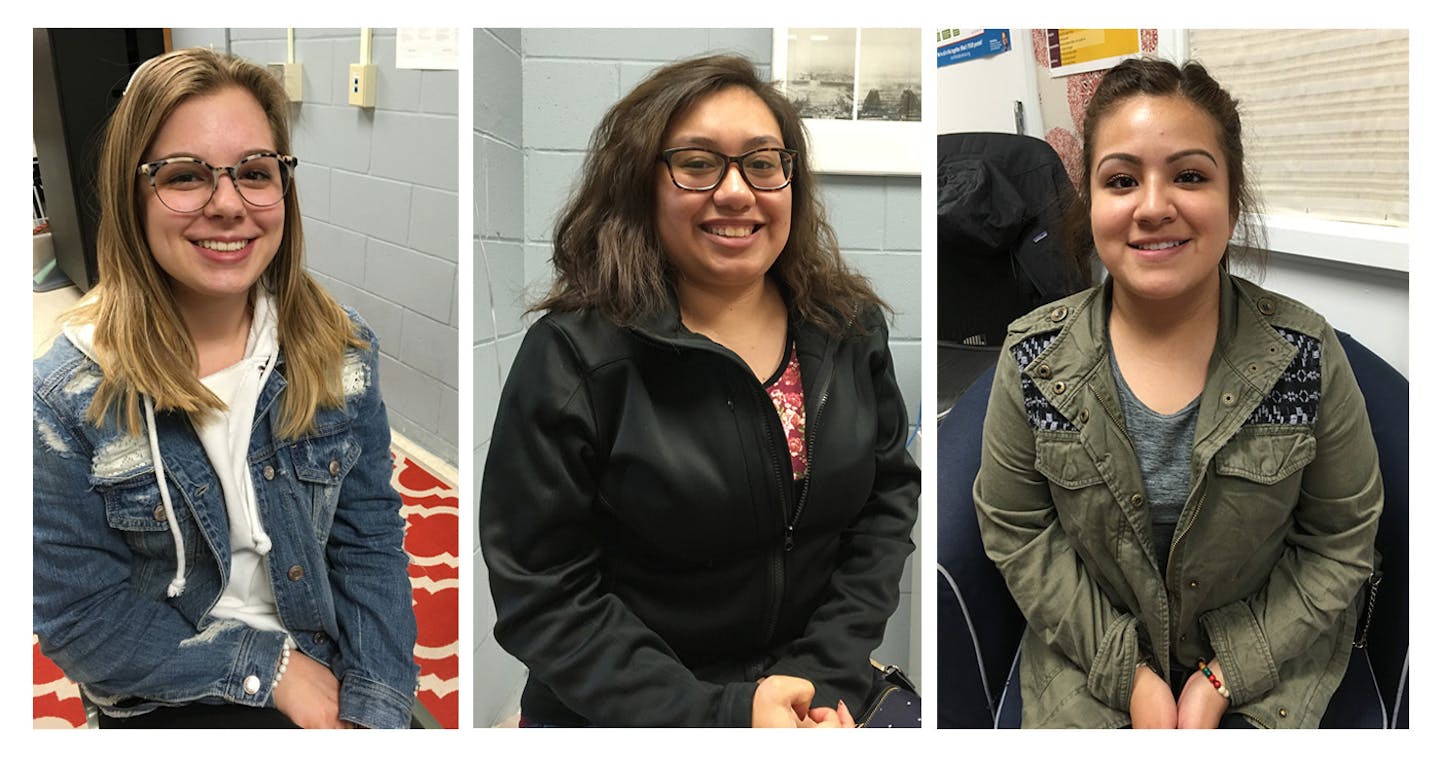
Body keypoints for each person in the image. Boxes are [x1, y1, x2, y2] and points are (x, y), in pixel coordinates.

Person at [478, 54, 920, 727]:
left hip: (812, 697)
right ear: (642, 184)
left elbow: (886, 503)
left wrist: (818, 681)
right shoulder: (575, 354)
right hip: (634, 709)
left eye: (763, 162)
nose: (737, 191)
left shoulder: (850, 327)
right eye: (697, 162)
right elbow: (545, 591)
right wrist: (726, 715)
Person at [973, 58, 1382, 729]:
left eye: (1189, 175)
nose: (1154, 205)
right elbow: (1018, 531)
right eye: (1122, 179)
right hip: (1089, 657)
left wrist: (1226, 676)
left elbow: (1339, 543)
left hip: (1269, 656)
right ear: (1092, 201)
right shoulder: (1032, 357)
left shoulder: (1305, 354)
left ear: (1231, 196)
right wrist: (1126, 672)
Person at [32, 47, 418, 729]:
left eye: (254, 173)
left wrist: (376, 705)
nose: (228, 205)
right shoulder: (63, 397)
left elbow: (370, 542)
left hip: (324, 654)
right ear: (131, 193)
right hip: (168, 679)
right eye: (185, 176)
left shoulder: (340, 349)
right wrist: (272, 670)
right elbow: (81, 617)